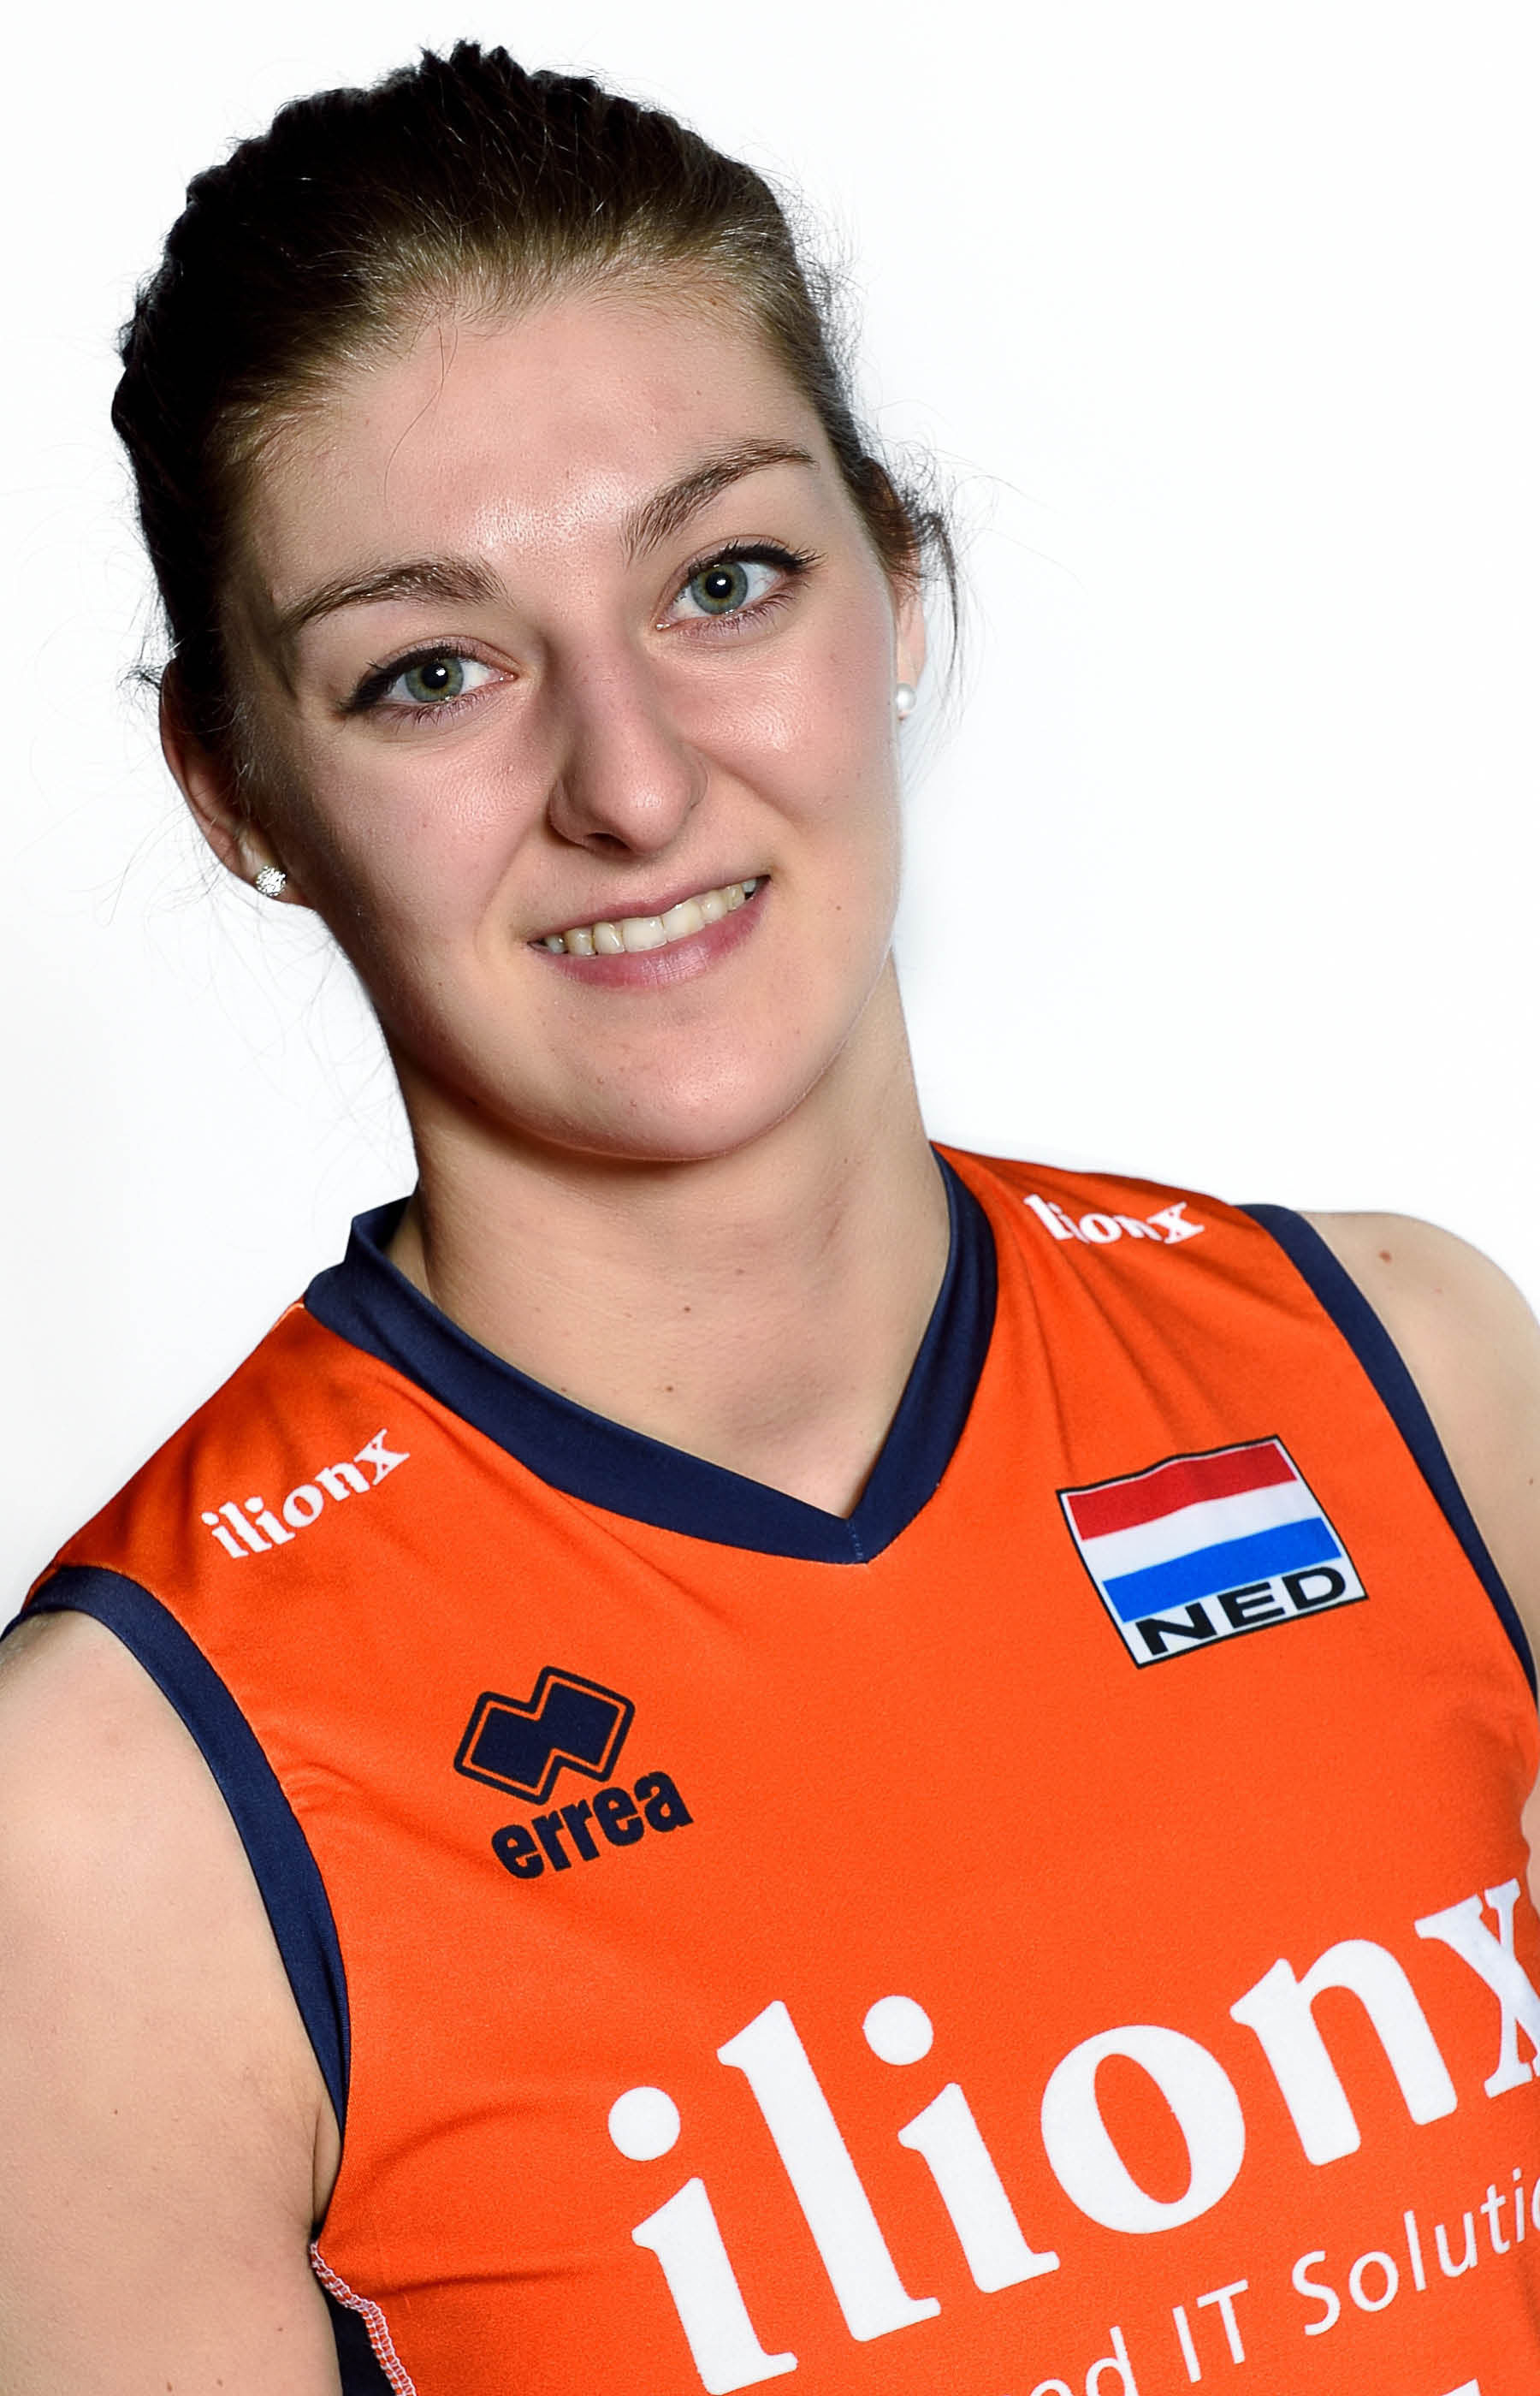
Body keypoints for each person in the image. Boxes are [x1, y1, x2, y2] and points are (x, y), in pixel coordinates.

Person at [3, 39, 1539, 2396]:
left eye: (724, 581)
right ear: (240, 790)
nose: (630, 784)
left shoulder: (1407, 1369)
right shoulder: (117, 1817)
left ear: (898, 587)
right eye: (430, 673)